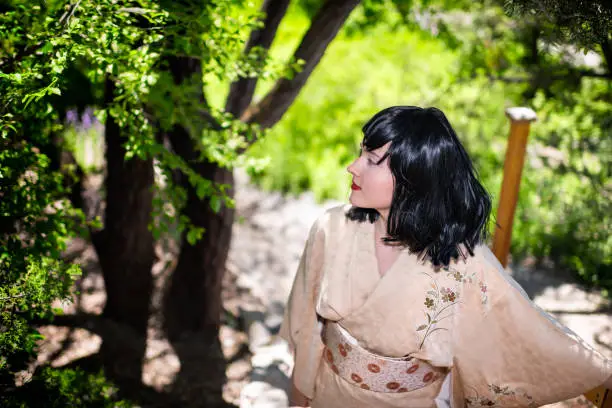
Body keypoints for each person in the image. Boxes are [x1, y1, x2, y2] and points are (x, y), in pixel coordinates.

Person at [279, 106, 612, 408]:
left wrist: (599, 372)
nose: (353, 167)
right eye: (361, 153)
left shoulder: (460, 261)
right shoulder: (331, 228)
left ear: (413, 175)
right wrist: (300, 398)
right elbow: (307, 326)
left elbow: (521, 326)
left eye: (371, 159)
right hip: (329, 395)